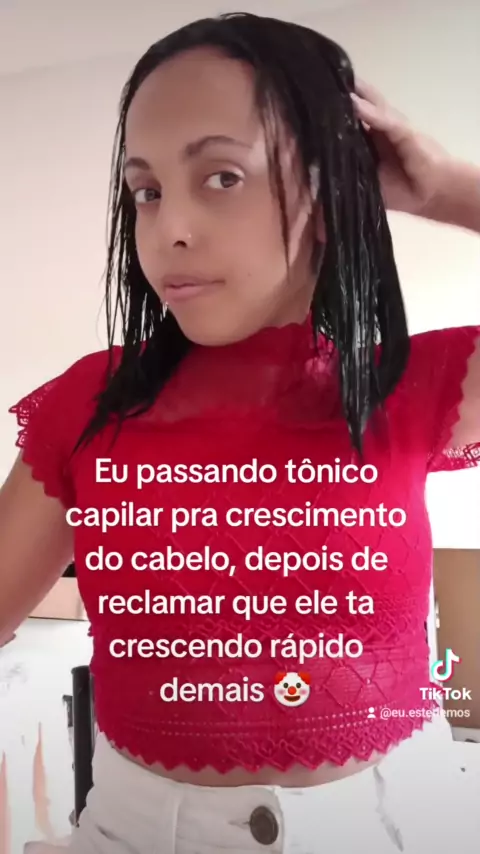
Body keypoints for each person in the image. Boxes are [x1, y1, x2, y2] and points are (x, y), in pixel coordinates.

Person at [1, 11, 480, 854]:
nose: (169, 230)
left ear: (328, 196)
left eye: (222, 176)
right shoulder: (91, 403)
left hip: (393, 828)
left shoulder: (409, 386)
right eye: (146, 191)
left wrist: (442, 187)